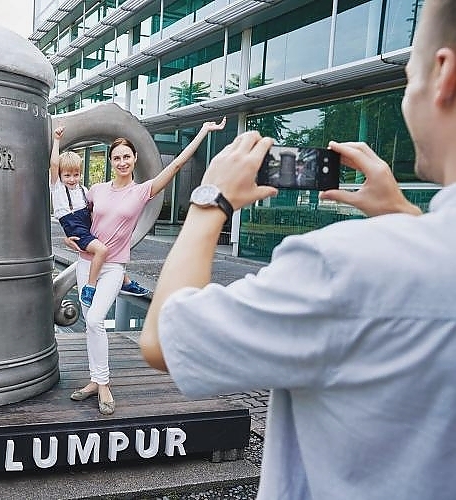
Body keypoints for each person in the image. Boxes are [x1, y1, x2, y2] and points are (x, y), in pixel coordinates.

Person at [140, 0, 456, 497]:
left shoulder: (343, 267)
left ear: (442, 75)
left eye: (408, 72)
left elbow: (163, 338)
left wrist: (210, 202)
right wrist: (406, 220)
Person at [68, 117, 227, 415]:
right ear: (110, 161)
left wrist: (203, 131)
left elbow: (177, 164)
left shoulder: (141, 191)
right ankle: (95, 380)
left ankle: (103, 384)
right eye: (116, 158)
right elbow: (79, 222)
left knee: (93, 320)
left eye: (127, 156)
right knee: (93, 326)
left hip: (114, 267)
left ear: (135, 158)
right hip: (85, 264)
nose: (122, 162)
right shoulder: (96, 191)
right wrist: (70, 241)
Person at [50, 127, 150, 306]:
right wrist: (57, 140)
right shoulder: (57, 187)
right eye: (67, 176)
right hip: (74, 225)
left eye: (76, 175)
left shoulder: (84, 190)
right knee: (102, 250)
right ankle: (90, 286)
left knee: (107, 245)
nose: (72, 179)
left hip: (86, 221)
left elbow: (94, 207)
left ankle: (126, 283)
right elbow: (54, 164)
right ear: (59, 176)